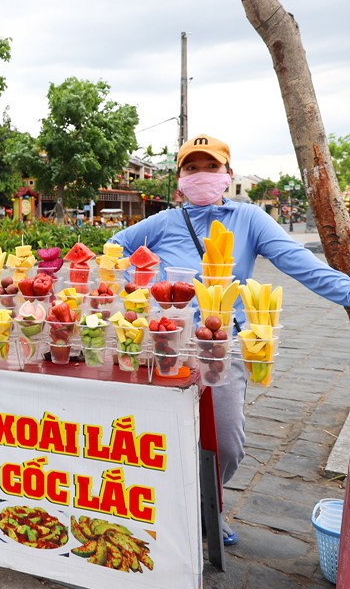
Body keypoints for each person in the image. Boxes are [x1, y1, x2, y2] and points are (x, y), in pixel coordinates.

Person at [110, 134, 350, 546]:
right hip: (166, 344)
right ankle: (164, 509)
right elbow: (115, 248)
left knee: (225, 441)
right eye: (191, 168)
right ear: (179, 180)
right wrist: (141, 282)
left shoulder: (250, 219)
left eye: (210, 167)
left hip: (222, 346)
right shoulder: (164, 222)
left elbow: (299, 263)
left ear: (227, 174)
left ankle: (209, 505)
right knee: (154, 436)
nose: (201, 175)